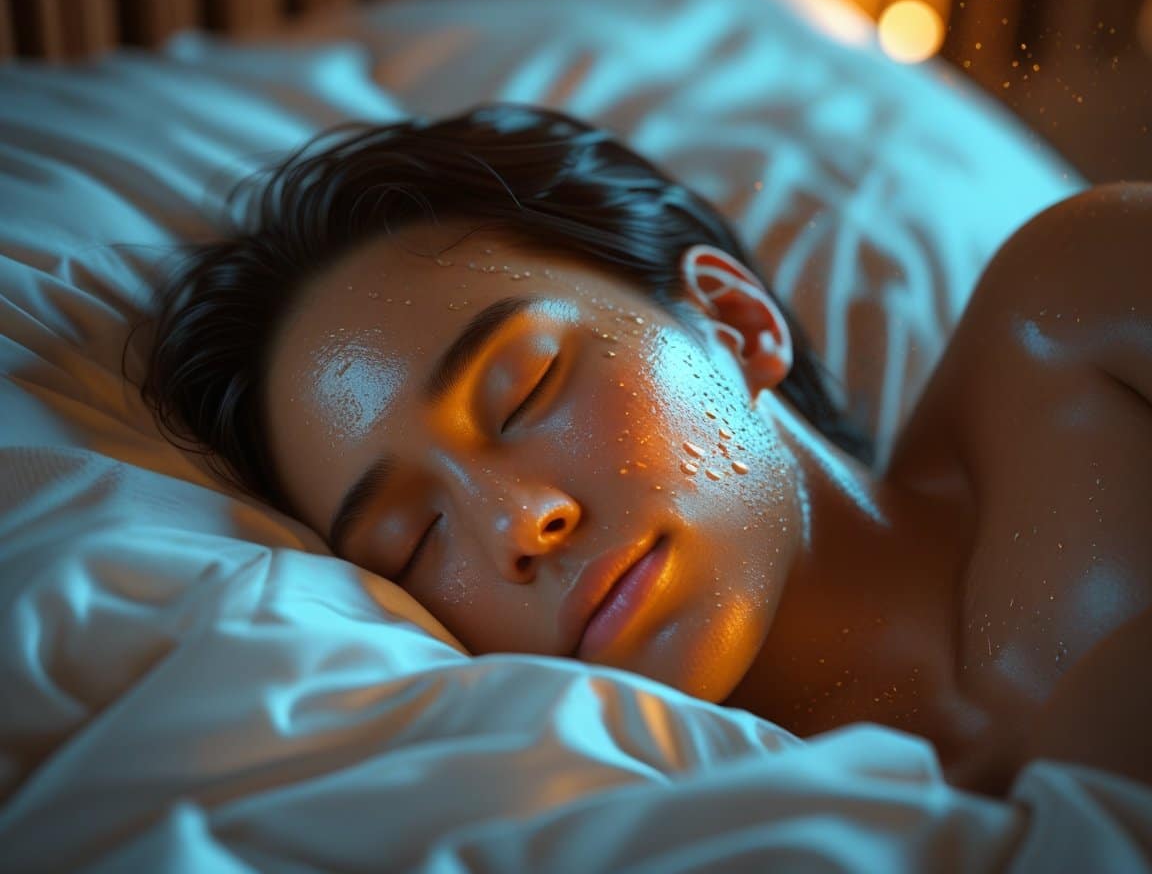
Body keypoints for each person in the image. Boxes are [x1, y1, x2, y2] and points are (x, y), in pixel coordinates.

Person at [136, 102, 1152, 797]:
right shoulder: (664, 829)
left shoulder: (1079, 319)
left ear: (734, 318)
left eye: (526, 385)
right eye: (412, 539)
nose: (518, 523)